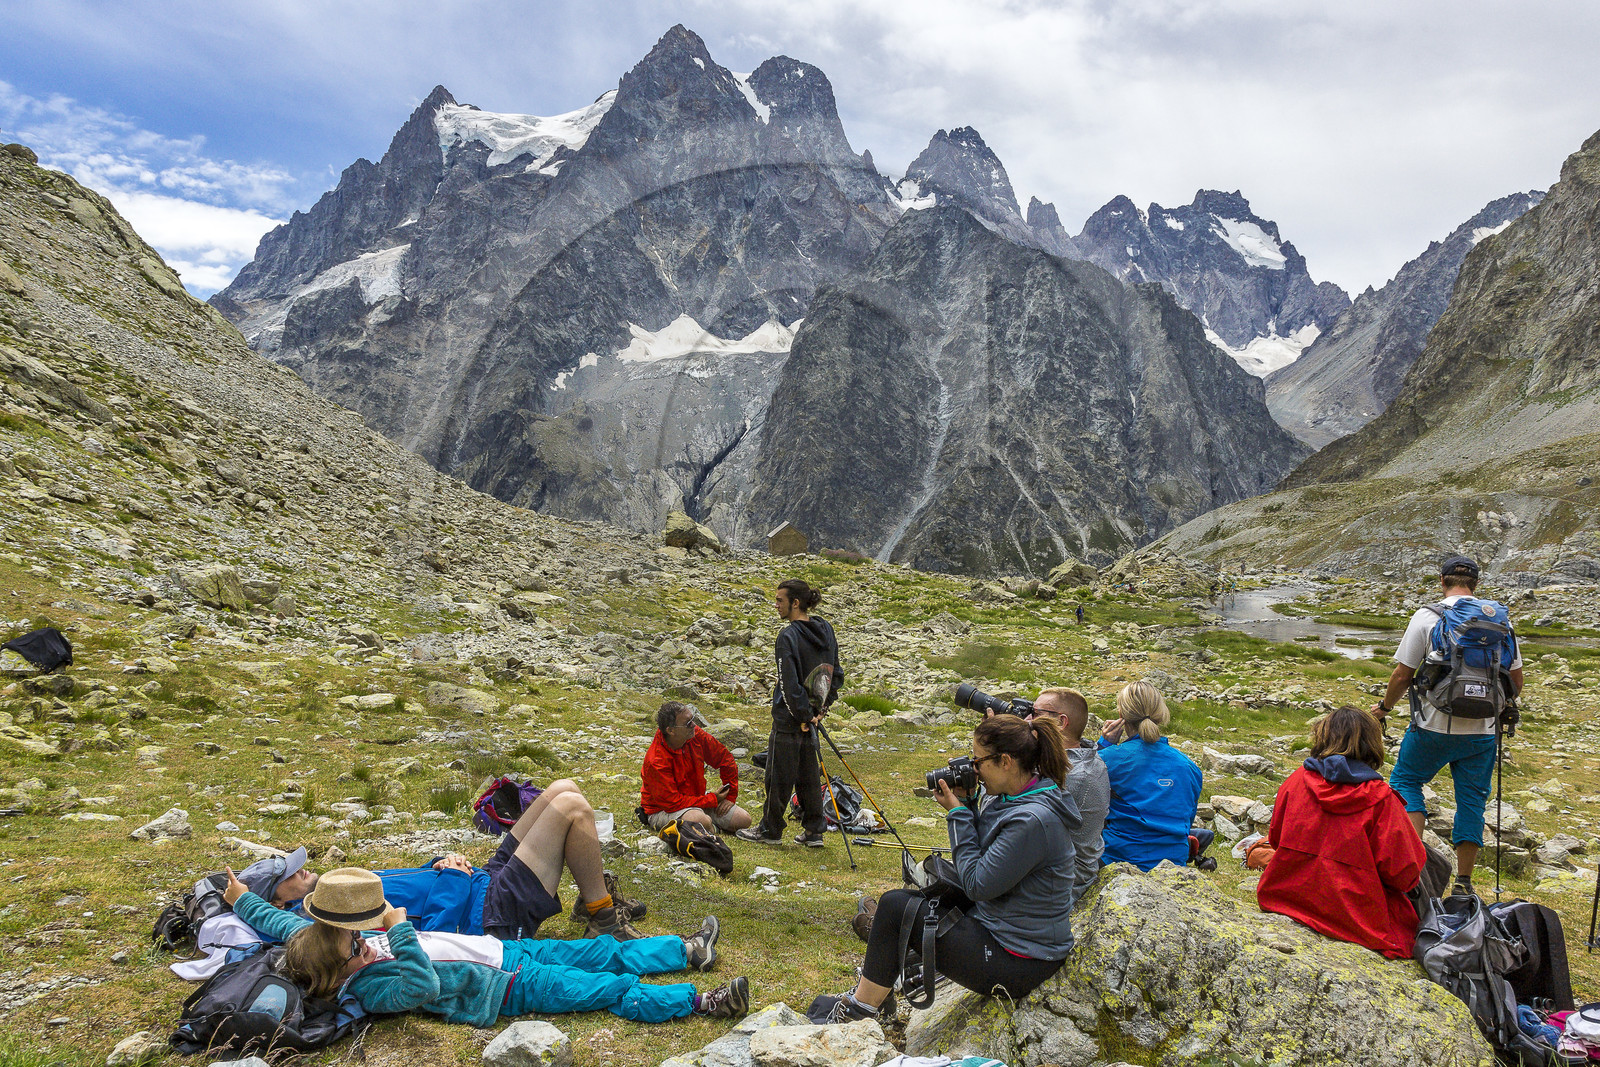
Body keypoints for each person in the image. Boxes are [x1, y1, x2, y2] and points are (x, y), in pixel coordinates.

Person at [809, 714, 1081, 1023]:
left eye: (978, 762)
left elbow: (977, 884)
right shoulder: (1020, 796)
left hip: (1019, 961)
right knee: (910, 899)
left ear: (1005, 761)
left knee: (897, 908)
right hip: (1011, 936)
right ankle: (873, 997)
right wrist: (970, 804)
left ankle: (859, 1012)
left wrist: (958, 813)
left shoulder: (1033, 820)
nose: (974, 770)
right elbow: (987, 855)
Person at [222, 866, 750, 1024]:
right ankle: (699, 1003)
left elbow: (277, 920)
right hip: (509, 987)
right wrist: (399, 930)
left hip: (506, 952)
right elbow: (423, 985)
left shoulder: (320, 940)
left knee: (599, 951)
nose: (362, 939)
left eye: (356, 932)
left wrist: (241, 897)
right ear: (335, 973)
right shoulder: (372, 990)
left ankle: (685, 951)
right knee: (606, 987)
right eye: (353, 944)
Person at [1374, 555, 1523, 897]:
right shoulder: (1500, 620)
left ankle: (1413, 873)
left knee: (1407, 782)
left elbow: (1403, 674)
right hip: (1482, 731)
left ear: (1442, 581)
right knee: (1471, 801)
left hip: (1432, 725)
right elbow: (1516, 681)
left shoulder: (1428, 616)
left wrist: (1384, 708)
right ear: (1476, 584)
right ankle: (1463, 885)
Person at [1257, 707, 1427, 958]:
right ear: (1372, 744)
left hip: (1286, 898)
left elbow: (1275, 839)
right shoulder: (1382, 799)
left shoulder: (1297, 780)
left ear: (1323, 736)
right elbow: (1404, 875)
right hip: (1358, 920)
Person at [737, 578, 841, 848]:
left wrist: (803, 715)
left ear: (795, 603)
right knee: (808, 774)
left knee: (778, 776)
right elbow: (835, 674)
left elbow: (788, 684)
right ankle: (814, 832)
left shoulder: (788, 636)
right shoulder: (826, 630)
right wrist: (820, 711)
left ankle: (770, 830)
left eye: (779, 600)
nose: (776, 605)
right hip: (813, 715)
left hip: (790, 718)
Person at [1097, 682, 1203, 870]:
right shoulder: (1189, 767)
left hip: (1117, 862)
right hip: (1172, 868)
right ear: (1161, 714)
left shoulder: (1107, 758)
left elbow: (1083, 790)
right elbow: (1187, 820)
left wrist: (1103, 746)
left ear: (1121, 715)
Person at [1031, 687, 1109, 896]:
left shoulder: (1073, 775)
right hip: (1064, 869)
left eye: (1036, 714)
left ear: (1061, 722)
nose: (1029, 720)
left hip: (1062, 883)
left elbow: (1006, 821)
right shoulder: (1085, 758)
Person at [642, 701, 752, 833]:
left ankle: (708, 827)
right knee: (701, 820)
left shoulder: (695, 735)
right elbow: (673, 802)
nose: (694, 725)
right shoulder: (656, 760)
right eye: (688, 723)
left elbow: (725, 759)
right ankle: (711, 828)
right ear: (671, 730)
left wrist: (730, 796)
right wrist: (711, 800)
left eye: (692, 719)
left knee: (744, 820)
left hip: (697, 799)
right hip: (663, 810)